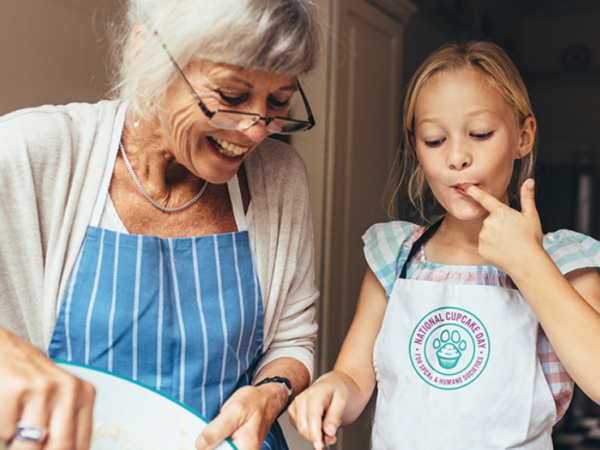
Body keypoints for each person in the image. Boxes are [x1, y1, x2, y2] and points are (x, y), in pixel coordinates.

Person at [0, 1, 321, 449]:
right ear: (146, 55)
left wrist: (271, 392)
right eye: (231, 96)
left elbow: (292, 337)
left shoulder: (280, 178)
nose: (254, 129)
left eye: (278, 102)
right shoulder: (31, 154)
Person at [288, 40, 600, 450]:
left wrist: (530, 264)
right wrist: (333, 391)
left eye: (480, 134)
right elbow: (354, 377)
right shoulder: (395, 256)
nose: (456, 157)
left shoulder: (565, 262)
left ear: (523, 136)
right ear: (416, 148)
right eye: (434, 140)